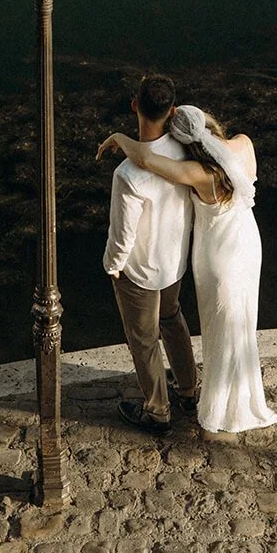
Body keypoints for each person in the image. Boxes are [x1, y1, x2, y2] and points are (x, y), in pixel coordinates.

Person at [98, 104, 277, 434]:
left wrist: (120, 137)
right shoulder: (244, 143)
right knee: (241, 321)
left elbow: (148, 160)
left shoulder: (199, 172)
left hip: (217, 256)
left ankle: (220, 408)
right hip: (248, 244)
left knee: (218, 326)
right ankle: (203, 390)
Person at [101, 74, 200, 436]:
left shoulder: (127, 174)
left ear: (134, 105)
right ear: (171, 112)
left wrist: (113, 267)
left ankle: (158, 410)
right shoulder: (183, 151)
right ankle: (189, 391)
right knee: (172, 317)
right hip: (174, 261)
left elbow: (122, 234)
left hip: (140, 270)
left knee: (143, 339)